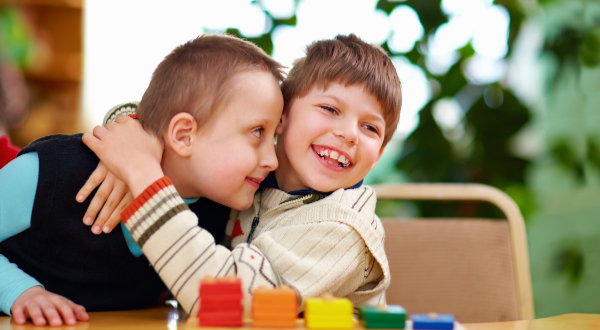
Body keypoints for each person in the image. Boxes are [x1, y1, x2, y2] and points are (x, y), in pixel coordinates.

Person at [84, 34, 402, 317]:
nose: (349, 134)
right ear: (282, 115)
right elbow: (187, 118)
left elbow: (222, 299)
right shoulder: (250, 174)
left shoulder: (345, 229)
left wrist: (141, 170)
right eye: (330, 109)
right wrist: (134, 137)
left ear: (379, 156)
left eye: (370, 128)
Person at [0, 33, 285, 326]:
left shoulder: (218, 215)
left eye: (274, 137)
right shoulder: (51, 171)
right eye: (257, 132)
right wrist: (20, 291)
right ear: (184, 135)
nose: (272, 160)